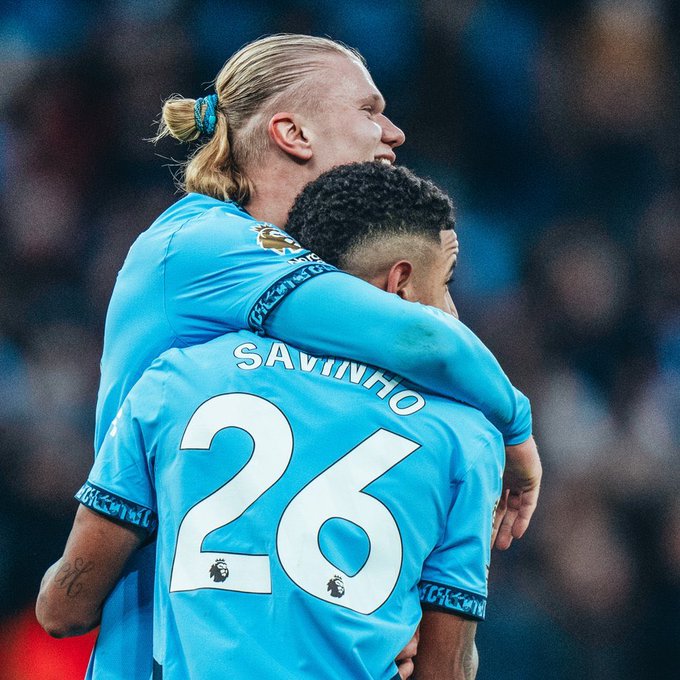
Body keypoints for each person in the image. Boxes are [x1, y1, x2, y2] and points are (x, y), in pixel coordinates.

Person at [81, 33, 540, 680]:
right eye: (369, 110)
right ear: (293, 133)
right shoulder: (201, 243)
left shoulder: (302, 295)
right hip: (157, 654)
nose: (394, 132)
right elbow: (426, 340)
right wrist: (517, 434)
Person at [38, 162, 505, 679]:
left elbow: (64, 610)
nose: (453, 310)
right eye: (447, 282)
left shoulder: (178, 378)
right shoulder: (467, 439)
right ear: (401, 285)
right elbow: (445, 671)